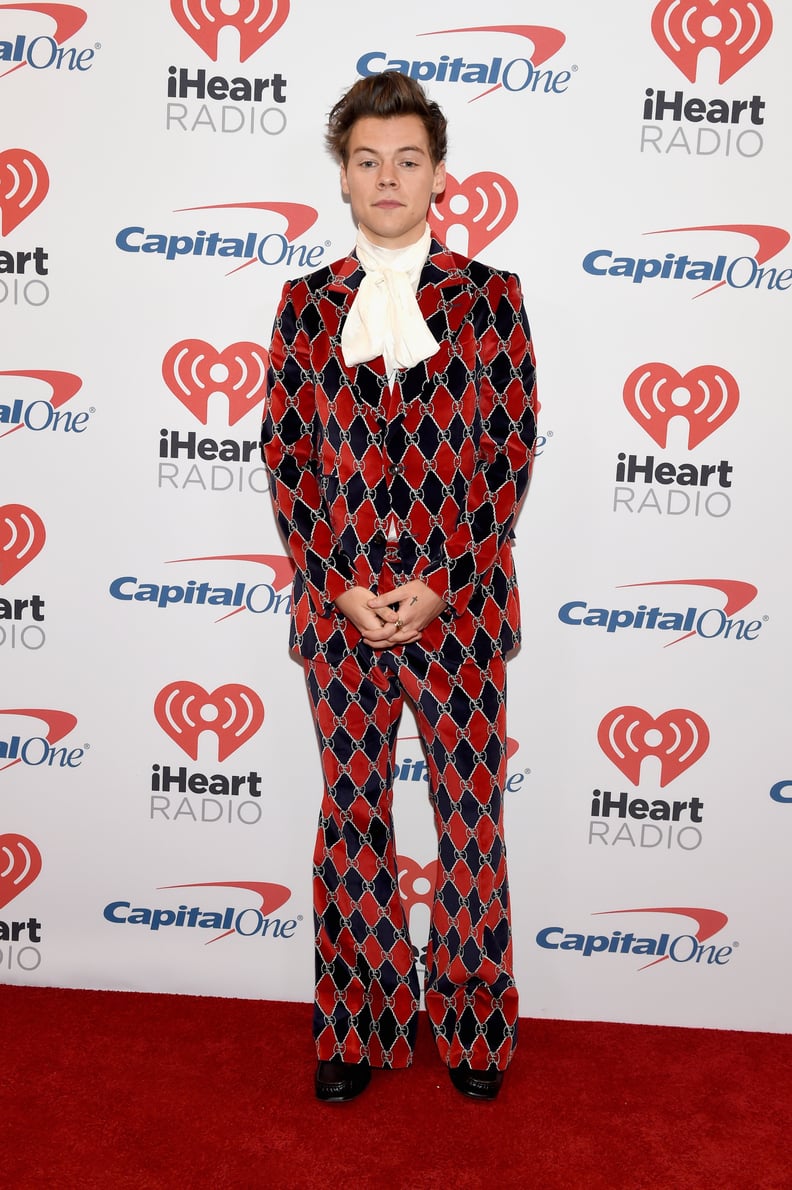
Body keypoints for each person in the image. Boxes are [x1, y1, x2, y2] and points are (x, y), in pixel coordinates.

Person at [261, 71, 537, 1103]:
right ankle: (361, 1017)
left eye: (407, 159)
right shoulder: (304, 305)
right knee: (355, 815)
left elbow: (508, 456)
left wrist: (443, 579)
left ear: (437, 174)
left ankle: (471, 1018)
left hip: (457, 612)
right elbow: (285, 457)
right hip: (340, 617)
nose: (388, 177)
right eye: (368, 159)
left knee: (469, 818)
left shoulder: (492, 298)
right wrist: (335, 585)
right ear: (343, 175)